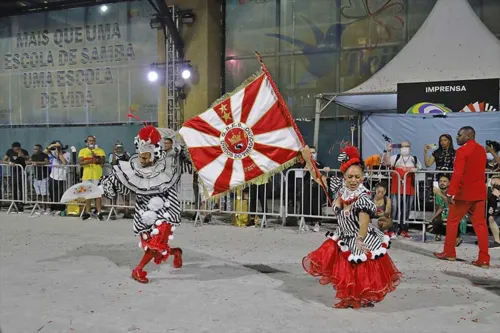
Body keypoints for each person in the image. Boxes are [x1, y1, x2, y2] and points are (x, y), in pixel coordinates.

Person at [302, 145, 401, 309]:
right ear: (344, 176)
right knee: (346, 271)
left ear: (362, 177)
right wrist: (308, 160)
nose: (353, 180)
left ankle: (356, 297)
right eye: (350, 177)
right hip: (343, 236)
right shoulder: (339, 187)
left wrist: (360, 239)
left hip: (359, 237)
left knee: (358, 271)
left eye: (357, 177)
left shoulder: (362, 199)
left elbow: (364, 222)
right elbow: (319, 177)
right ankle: (352, 297)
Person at [100, 126, 184, 283]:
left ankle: (138, 270)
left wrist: (184, 151)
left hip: (164, 213)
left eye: (145, 157)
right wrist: (105, 186)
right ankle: (176, 252)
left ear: (154, 154)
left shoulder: (168, 165)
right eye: (140, 157)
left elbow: (185, 162)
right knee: (151, 247)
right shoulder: (134, 168)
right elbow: (120, 181)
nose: (142, 161)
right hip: (144, 215)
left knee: (155, 243)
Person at [434, 126, 490, 268]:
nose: (457, 137)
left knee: (452, 222)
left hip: (463, 194)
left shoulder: (462, 151)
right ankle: (484, 259)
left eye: (459, 135)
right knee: (481, 226)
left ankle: (449, 252)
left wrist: (450, 193)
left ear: (468, 136)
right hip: (479, 193)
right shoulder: (481, 150)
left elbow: (458, 174)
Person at [384, 140, 423, 238]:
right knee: (394, 209)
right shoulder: (395, 157)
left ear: (410, 147)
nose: (405, 148)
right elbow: (387, 163)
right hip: (396, 189)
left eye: (407, 146)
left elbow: (420, 168)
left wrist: (416, 170)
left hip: (409, 190)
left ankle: (404, 230)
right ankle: (392, 230)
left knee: (406, 210)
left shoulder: (414, 159)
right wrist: (388, 151)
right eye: (403, 146)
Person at [427, 175, 466, 246]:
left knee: (446, 221)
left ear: (449, 183)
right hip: (444, 217)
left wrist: (440, 194)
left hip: (456, 217)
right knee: (430, 227)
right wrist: (431, 219)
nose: (442, 183)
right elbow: (440, 208)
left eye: (444, 181)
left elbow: (451, 203)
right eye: (440, 181)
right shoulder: (438, 194)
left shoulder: (453, 192)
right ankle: (450, 236)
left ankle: (456, 237)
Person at [78, 135, 105, 221]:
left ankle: (99, 213)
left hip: (97, 175)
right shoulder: (82, 151)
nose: (91, 142)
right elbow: (81, 162)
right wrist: (91, 160)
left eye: (93, 141)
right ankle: (87, 212)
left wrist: (95, 156)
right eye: (90, 141)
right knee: (88, 195)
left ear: (95, 141)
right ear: (87, 142)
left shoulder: (100, 150)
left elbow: (102, 161)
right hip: (87, 175)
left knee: (98, 195)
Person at [44, 141, 70, 214]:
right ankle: (53, 207)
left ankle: (61, 208)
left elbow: (64, 162)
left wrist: (59, 152)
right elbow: (45, 152)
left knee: (60, 193)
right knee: (52, 192)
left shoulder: (67, 154)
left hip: (62, 176)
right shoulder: (53, 152)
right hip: (53, 176)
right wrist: (53, 145)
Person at [108, 141, 132, 219]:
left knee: (126, 194)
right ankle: (113, 212)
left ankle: (127, 212)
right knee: (114, 195)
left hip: (124, 177)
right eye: (117, 146)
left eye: (120, 146)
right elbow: (113, 163)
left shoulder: (126, 153)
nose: (119, 148)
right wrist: (114, 153)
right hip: (115, 176)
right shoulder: (111, 155)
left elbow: (130, 161)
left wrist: (124, 153)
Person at [3, 142, 29, 212]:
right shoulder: (9, 151)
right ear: (13, 148)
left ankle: (22, 203)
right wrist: (9, 163)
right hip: (13, 172)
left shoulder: (24, 151)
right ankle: (15, 203)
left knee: (22, 188)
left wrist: (22, 156)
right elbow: (4, 160)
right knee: (14, 188)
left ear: (20, 147)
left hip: (22, 171)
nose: (16, 150)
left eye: (18, 148)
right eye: (15, 148)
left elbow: (28, 160)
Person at [29, 144, 50, 213]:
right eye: (34, 149)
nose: (35, 150)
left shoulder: (44, 155)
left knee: (44, 193)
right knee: (38, 194)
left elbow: (47, 162)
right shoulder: (33, 155)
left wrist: (37, 163)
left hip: (44, 177)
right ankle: (41, 208)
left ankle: (46, 207)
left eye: (36, 149)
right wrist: (31, 162)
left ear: (40, 149)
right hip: (36, 177)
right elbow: (28, 161)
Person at [487, 176, 500, 249]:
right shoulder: (492, 194)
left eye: (497, 184)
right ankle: (497, 242)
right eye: (493, 184)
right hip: (497, 216)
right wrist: (493, 196)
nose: (495, 185)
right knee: (491, 218)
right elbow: (492, 209)